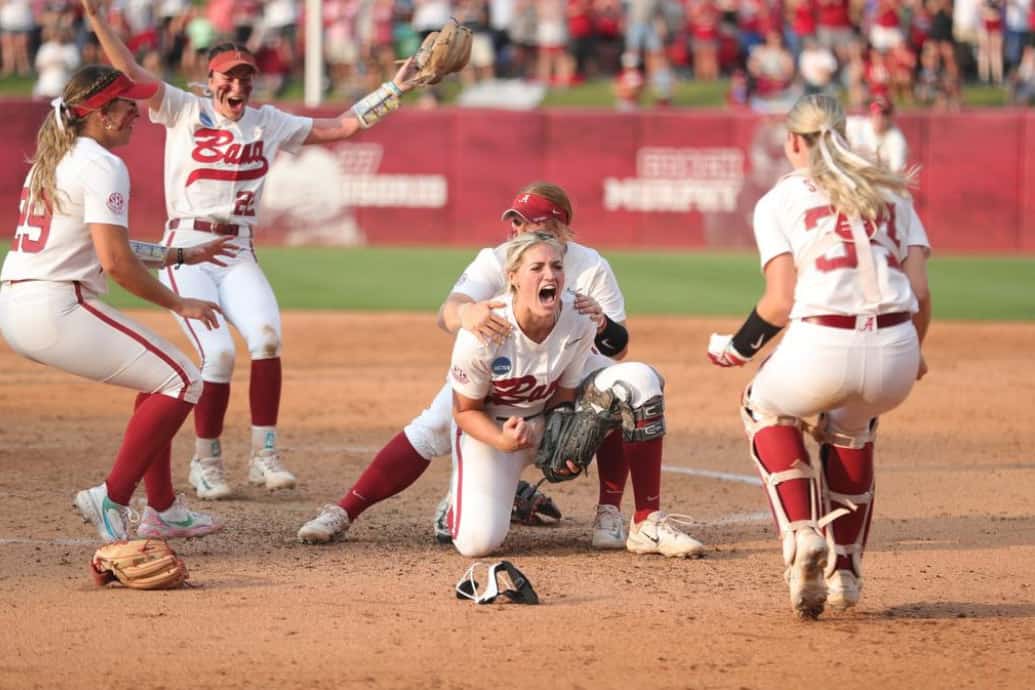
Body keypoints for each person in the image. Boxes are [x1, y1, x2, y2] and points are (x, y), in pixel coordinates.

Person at [82, 0, 424, 501]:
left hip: (237, 249)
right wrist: (96, 18)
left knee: (266, 339)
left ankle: (265, 454)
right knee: (217, 352)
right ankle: (207, 462)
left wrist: (395, 88)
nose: (238, 86)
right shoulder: (183, 107)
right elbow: (130, 74)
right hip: (187, 245)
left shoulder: (268, 122)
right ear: (210, 78)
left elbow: (344, 126)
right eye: (228, 77)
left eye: (246, 78)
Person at [298, 182, 705, 559]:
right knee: (436, 426)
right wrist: (467, 312)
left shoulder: (591, 268)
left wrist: (572, 403)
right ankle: (347, 510)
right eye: (515, 218)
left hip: (567, 367)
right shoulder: (499, 259)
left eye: (530, 221)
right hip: (499, 378)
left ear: (560, 226)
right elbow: (447, 314)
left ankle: (614, 513)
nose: (518, 227)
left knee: (624, 390)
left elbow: (616, 348)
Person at [706, 93, 931, 619]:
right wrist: (915, 350)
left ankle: (803, 534)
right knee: (854, 426)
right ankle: (846, 572)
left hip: (822, 343)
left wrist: (736, 349)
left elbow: (780, 302)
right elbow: (919, 292)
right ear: (843, 136)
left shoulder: (779, 199)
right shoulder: (891, 191)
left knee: (762, 406)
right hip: (897, 345)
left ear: (792, 142)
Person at [0, 65, 236, 543]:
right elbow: (116, 263)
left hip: (23, 302)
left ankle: (164, 508)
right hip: (56, 304)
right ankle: (112, 495)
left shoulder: (64, 156)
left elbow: (110, 246)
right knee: (185, 378)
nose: (137, 112)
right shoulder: (103, 165)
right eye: (127, 104)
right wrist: (179, 301)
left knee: (158, 380)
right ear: (102, 115)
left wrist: (180, 255)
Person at [846, 95, 909, 172]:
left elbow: (897, 172)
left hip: (879, 181)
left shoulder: (897, 140)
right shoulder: (858, 125)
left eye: (884, 114)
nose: (880, 118)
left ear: (891, 117)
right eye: (876, 113)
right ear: (871, 114)